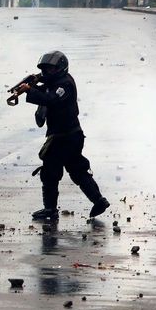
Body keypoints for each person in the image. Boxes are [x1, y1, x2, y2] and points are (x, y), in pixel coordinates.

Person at [17, 50, 110, 221]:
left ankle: (50, 209)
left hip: (65, 137)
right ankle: (99, 201)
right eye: (46, 70)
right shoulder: (55, 81)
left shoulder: (64, 84)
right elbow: (45, 88)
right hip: (68, 136)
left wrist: (30, 90)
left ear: (60, 68)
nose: (47, 73)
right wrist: (33, 83)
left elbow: (50, 99)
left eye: (51, 69)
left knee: (51, 172)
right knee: (77, 170)